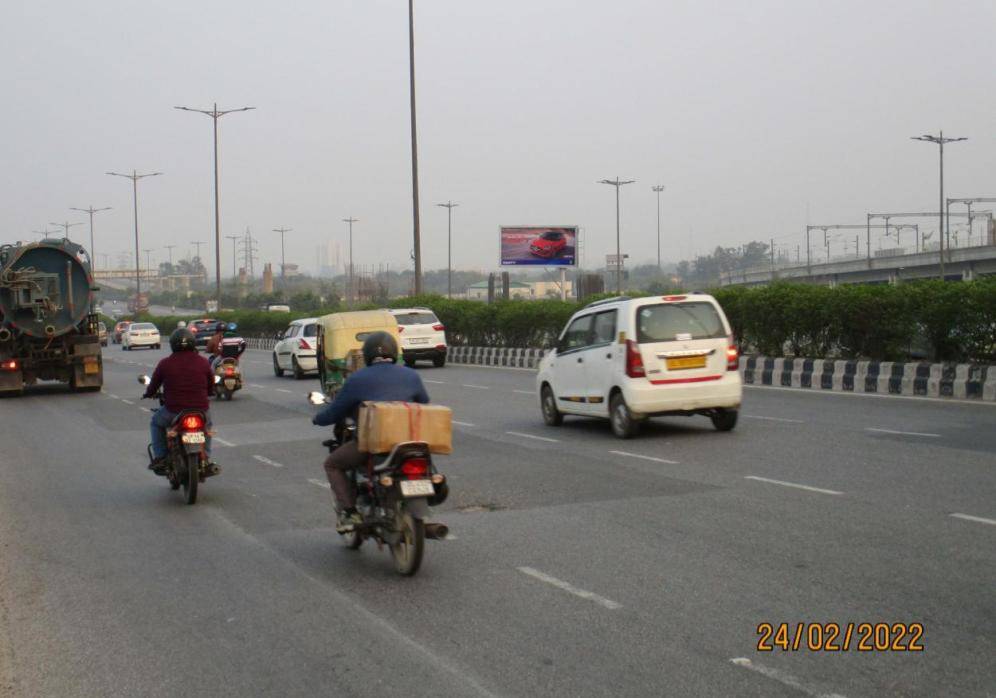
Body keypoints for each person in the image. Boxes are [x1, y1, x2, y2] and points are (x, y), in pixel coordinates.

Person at [312, 331, 429, 532]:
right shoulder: (411, 375)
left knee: (332, 464)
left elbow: (334, 412)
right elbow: (424, 403)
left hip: (373, 444)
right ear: (394, 352)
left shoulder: (356, 379)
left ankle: (349, 513)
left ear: (367, 355)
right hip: (409, 443)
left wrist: (318, 418)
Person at [143, 328, 218, 475]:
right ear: (193, 343)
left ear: (172, 345)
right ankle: (206, 458)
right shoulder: (203, 363)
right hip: (201, 410)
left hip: (173, 410)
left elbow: (153, 386)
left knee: (156, 423)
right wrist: (209, 392)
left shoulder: (165, 363)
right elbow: (211, 386)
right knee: (206, 429)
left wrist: (148, 394)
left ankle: (161, 457)